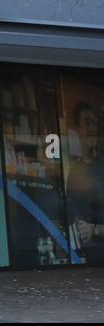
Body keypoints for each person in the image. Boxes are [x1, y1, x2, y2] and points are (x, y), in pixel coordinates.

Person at [65, 102, 104, 266]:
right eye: (87, 122)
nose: (92, 128)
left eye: (94, 122)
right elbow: (72, 214)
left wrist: (95, 230)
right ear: (78, 129)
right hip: (85, 257)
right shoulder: (74, 172)